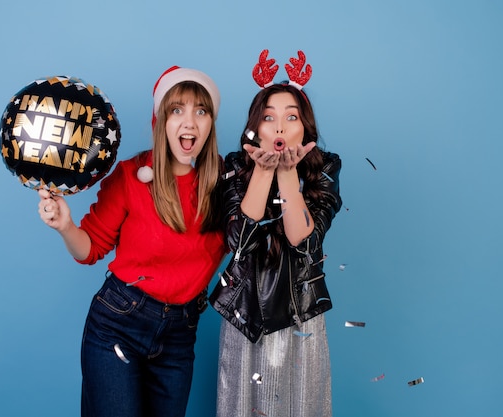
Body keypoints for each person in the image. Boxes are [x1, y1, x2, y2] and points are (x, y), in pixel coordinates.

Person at [37, 66, 226, 417]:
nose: (190, 122)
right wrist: (66, 226)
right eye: (177, 110)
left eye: (201, 111)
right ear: (160, 121)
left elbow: (251, 235)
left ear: (211, 124)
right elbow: (89, 248)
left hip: (179, 336)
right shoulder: (130, 176)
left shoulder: (223, 187)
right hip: (117, 325)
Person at [209, 50, 342, 417]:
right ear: (255, 127)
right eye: (268, 118)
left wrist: (287, 174)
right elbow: (240, 242)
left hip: (302, 315)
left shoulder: (325, 168)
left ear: (305, 128)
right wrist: (263, 171)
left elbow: (303, 239)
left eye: (291, 117)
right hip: (245, 315)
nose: (279, 127)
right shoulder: (235, 167)